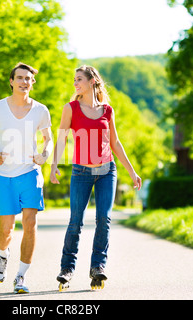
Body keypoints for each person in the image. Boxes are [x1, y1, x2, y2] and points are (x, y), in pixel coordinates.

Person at [50, 65, 142, 291]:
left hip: (106, 171)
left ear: (92, 81)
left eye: (79, 79)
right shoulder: (70, 108)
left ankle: (98, 268)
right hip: (81, 172)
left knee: (104, 219)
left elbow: (116, 144)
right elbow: (61, 138)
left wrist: (132, 171)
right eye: (74, 79)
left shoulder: (107, 110)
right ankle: (67, 269)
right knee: (75, 221)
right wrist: (54, 165)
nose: (75, 83)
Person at [0, 62, 53, 294]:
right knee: (6, 229)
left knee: (30, 223)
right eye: (20, 78)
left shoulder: (41, 110)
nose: (24, 82)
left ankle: (21, 277)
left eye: (28, 78)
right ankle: (3, 254)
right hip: (3, 175)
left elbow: (48, 139)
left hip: (30, 172)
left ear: (32, 83)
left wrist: (44, 154)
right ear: (11, 81)